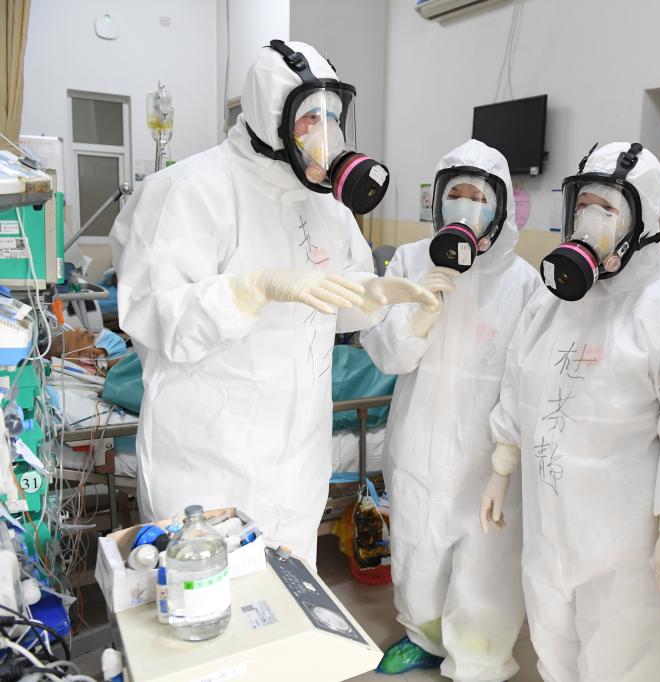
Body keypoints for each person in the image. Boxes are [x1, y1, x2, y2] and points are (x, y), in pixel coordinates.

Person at [111, 41, 436, 565]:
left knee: (290, 600)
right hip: (205, 468)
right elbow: (154, 317)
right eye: (310, 117)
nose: (325, 133)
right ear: (271, 115)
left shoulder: (329, 209)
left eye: (334, 117)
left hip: (298, 468)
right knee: (205, 606)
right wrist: (249, 290)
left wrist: (370, 297)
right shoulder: (189, 189)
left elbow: (336, 306)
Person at [480, 142, 660, 681]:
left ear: (644, 220)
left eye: (609, 208)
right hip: (550, 531)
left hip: (627, 549)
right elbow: (517, 384)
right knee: (553, 643)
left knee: (625, 657)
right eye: (583, 205)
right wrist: (502, 465)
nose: (591, 220)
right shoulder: (550, 304)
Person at [362, 139, 539, 680]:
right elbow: (388, 356)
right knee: (417, 544)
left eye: (479, 197)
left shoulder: (522, 281)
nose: (466, 206)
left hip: (486, 453)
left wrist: (505, 461)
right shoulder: (411, 260)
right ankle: (422, 637)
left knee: (485, 560)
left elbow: (525, 379)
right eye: (456, 194)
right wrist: (417, 315)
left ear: (501, 206)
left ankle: (479, 657)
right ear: (438, 199)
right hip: (419, 437)